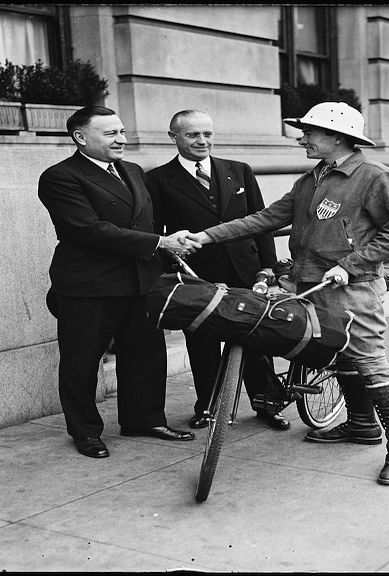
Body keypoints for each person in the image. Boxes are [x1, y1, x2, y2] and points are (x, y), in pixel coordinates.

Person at [186, 102, 389, 485]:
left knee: (370, 361)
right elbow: (267, 218)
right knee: (335, 351)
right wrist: (206, 237)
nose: (302, 138)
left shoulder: (374, 176)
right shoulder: (314, 177)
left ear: (337, 137)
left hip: (351, 288)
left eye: (310, 132)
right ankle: (361, 425)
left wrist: (352, 264)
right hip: (308, 282)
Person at [38, 105, 200, 459]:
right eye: (111, 134)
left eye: (122, 131)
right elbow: (88, 229)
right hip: (88, 286)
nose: (122, 139)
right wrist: (158, 243)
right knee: (81, 362)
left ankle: (144, 419)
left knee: (146, 354)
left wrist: (167, 250)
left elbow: (144, 223)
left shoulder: (133, 170)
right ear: (81, 138)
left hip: (140, 281)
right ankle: (85, 431)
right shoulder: (60, 177)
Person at [147, 110, 288, 431]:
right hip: (196, 276)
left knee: (257, 338)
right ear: (174, 137)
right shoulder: (157, 180)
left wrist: (268, 268)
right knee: (202, 344)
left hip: (247, 271)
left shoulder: (239, 171)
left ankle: (267, 404)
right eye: (193, 135)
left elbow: (263, 224)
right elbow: (159, 234)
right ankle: (208, 407)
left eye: (207, 134)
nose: (202, 141)